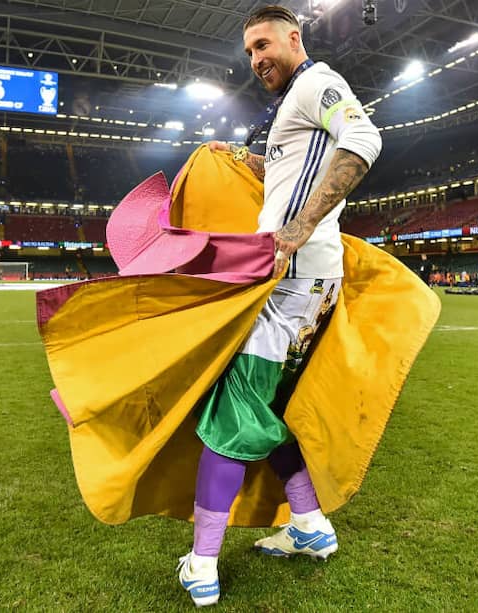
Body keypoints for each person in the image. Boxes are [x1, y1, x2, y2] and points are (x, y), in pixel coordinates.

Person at [176, 5, 382, 607]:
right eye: (248, 51)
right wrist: (251, 161)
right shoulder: (296, 100)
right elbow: (300, 166)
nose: (255, 58)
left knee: (232, 408)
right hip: (304, 284)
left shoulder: (317, 82)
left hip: (291, 284)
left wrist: (293, 231)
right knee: (270, 408)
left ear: (295, 38)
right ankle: (311, 526)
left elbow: (364, 137)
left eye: (264, 44)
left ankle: (203, 562)